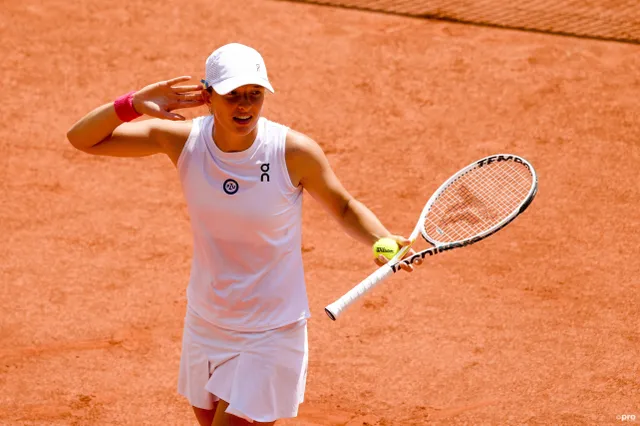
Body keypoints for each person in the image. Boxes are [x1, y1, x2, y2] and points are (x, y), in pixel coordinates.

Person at [66, 43, 418, 426]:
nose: (244, 106)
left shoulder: (291, 151)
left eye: (254, 94)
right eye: (232, 94)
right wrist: (132, 104)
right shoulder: (183, 141)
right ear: (207, 95)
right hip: (207, 321)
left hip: (270, 330)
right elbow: (82, 139)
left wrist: (380, 240)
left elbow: (344, 205)